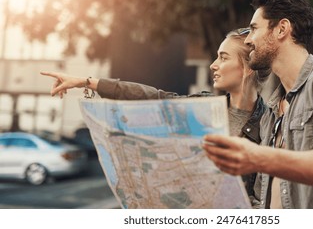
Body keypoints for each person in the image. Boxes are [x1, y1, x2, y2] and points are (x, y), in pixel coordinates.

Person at [41, 28, 270, 207]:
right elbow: (151, 96)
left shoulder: (270, 125)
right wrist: (86, 82)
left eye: (223, 58)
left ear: (248, 68)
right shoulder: (203, 109)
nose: (213, 65)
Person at [203, 0, 313, 209]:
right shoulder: (272, 112)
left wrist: (257, 157)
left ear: (282, 29)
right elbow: (262, 199)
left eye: (255, 29)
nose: (248, 39)